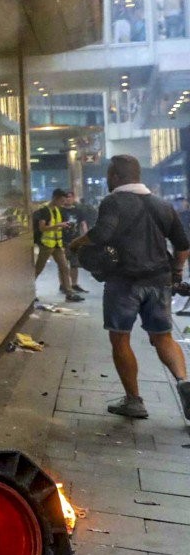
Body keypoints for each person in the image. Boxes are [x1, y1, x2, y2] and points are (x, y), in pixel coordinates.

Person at [69, 155, 190, 420]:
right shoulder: (162, 204)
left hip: (124, 282)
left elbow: (102, 233)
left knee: (120, 338)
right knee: (163, 337)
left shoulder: (113, 201)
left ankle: (134, 401)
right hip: (159, 282)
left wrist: (76, 243)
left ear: (115, 176)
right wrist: (176, 273)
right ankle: (183, 382)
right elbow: (182, 246)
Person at [33, 189, 82, 302]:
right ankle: (29, 291)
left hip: (57, 244)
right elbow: (42, 228)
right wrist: (59, 225)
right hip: (46, 245)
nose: (63, 203)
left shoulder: (57, 210)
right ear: (55, 198)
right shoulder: (45, 210)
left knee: (64, 267)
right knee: (38, 269)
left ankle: (69, 292)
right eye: (62, 200)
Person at [61, 194, 91, 294]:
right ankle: (63, 284)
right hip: (62, 241)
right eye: (66, 197)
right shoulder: (59, 211)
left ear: (73, 198)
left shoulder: (78, 210)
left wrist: (86, 236)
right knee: (63, 264)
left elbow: (83, 223)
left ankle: (74, 284)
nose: (68, 199)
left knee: (74, 264)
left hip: (75, 240)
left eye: (70, 197)